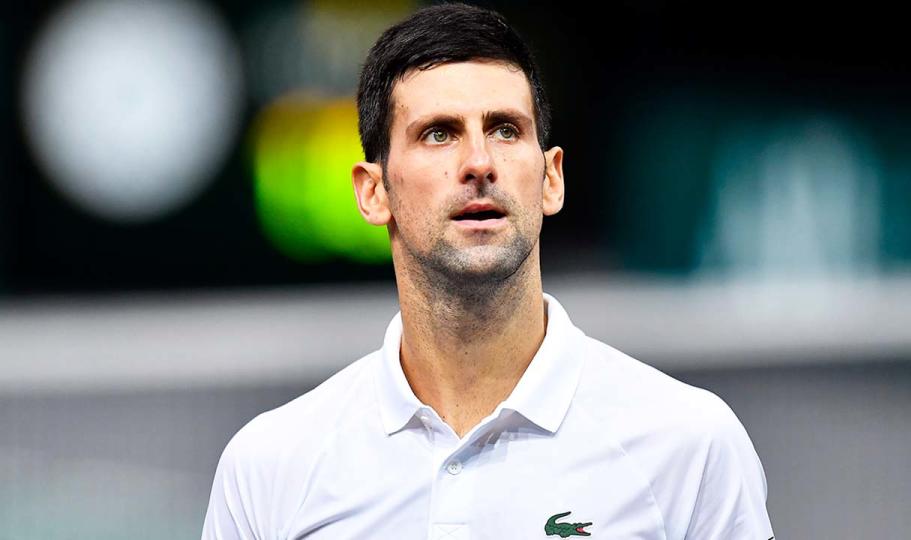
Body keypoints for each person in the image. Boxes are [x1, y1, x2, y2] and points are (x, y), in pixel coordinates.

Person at [201, 4, 775, 539]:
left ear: (551, 178)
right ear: (373, 192)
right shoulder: (270, 467)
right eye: (439, 133)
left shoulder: (690, 445)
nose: (479, 163)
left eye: (505, 129)